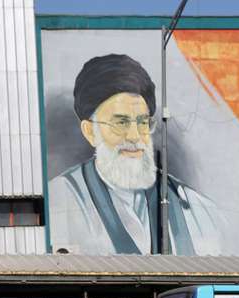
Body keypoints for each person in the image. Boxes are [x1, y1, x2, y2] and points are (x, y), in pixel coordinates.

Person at [47, 53, 225, 255]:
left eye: (142, 123)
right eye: (121, 123)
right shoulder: (59, 200)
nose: (134, 136)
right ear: (89, 131)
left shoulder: (198, 209)